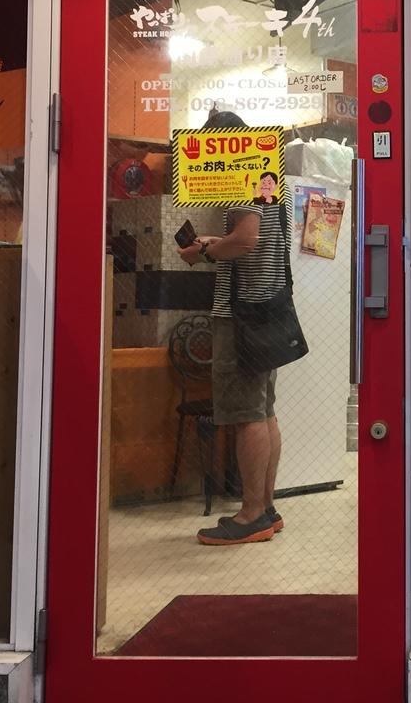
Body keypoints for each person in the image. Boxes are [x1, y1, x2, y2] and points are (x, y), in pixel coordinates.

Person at [178, 111, 293, 545]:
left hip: (240, 314)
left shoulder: (241, 176)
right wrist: (214, 243)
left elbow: (246, 239)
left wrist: (204, 254)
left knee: (247, 415)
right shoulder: (269, 182)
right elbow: (254, 240)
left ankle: (251, 515)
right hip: (267, 309)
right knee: (263, 411)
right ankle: (267, 507)